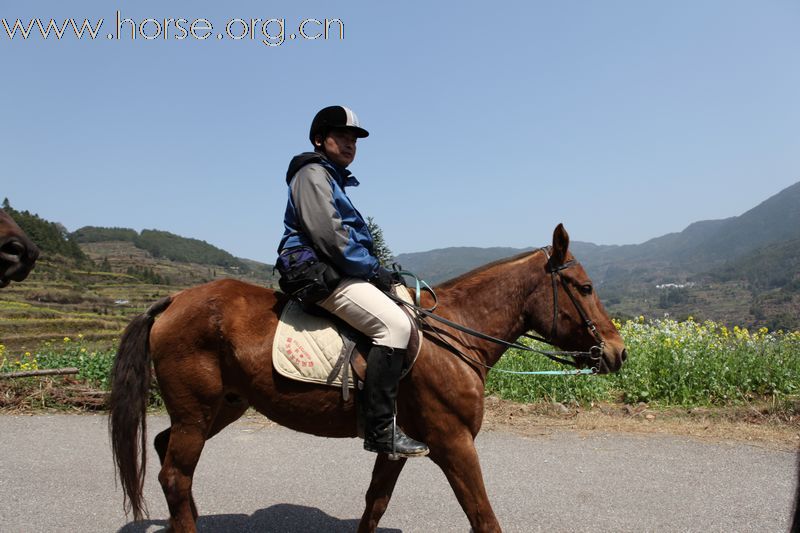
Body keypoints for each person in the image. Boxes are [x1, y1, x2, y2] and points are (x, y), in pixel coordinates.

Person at [276, 105, 429, 458]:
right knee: (394, 327)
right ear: (319, 140)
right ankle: (380, 430)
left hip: (343, 268)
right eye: (341, 137)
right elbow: (330, 236)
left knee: (410, 306)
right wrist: (370, 269)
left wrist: (380, 271)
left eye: (354, 141)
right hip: (319, 271)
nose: (349, 145)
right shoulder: (312, 173)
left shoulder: (331, 178)